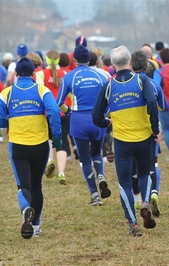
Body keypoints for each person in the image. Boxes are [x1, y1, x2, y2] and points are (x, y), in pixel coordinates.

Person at [0, 57, 62, 239]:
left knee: (23, 185)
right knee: (37, 185)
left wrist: (9, 121)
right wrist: (57, 136)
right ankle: (36, 226)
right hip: (40, 145)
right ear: (33, 74)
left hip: (18, 146)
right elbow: (53, 111)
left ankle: (25, 209)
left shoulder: (7, 93)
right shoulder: (41, 89)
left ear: (15, 75)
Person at [92, 45, 159, 236]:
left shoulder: (109, 85)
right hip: (144, 137)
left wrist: (107, 123)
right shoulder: (141, 79)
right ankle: (145, 203)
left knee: (124, 183)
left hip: (122, 142)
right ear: (130, 62)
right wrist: (154, 127)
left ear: (112, 64)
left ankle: (133, 224)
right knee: (145, 173)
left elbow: (96, 116)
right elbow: (152, 102)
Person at [57, 44, 111, 205]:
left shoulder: (69, 76)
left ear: (74, 60)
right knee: (97, 153)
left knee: (85, 159)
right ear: (89, 59)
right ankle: (101, 175)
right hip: (97, 121)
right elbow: (109, 101)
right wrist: (103, 116)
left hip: (78, 120)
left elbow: (59, 102)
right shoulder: (101, 75)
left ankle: (94, 195)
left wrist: (68, 112)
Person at [130, 49, 169, 217]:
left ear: (131, 65)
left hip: (130, 130)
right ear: (146, 65)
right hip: (150, 128)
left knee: (133, 165)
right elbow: (164, 106)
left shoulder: (125, 83)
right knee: (153, 163)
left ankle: (138, 199)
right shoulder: (153, 84)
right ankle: (154, 192)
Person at [35, 50, 71, 185]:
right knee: (61, 142)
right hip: (62, 112)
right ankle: (61, 173)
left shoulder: (40, 74)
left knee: (49, 139)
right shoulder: (65, 74)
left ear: (46, 59)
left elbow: (39, 93)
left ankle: (50, 160)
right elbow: (69, 95)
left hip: (46, 113)